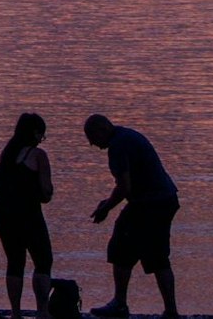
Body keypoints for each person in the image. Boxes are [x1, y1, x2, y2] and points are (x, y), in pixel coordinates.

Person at [83, 113, 181, 319]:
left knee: (122, 248)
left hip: (151, 203)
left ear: (102, 129)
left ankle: (120, 304)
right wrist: (109, 202)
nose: (93, 144)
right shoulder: (127, 136)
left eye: (92, 138)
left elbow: (125, 187)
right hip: (164, 199)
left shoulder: (118, 146)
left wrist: (106, 207)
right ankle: (170, 310)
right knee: (155, 256)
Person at [0, 112, 55, 319]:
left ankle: (16, 313)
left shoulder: (6, 154)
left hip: (2, 211)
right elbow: (46, 192)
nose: (41, 140)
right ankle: (42, 312)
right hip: (27, 211)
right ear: (35, 134)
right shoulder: (38, 155)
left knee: (15, 260)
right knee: (43, 259)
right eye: (41, 135)